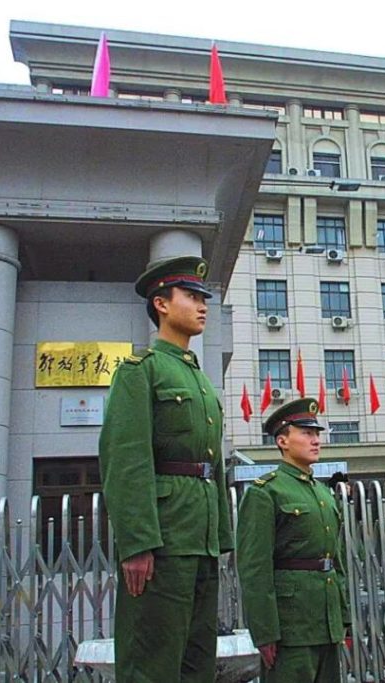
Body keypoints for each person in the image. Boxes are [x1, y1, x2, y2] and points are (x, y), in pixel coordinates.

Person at [98, 255, 233, 683]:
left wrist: (221, 536)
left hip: (201, 539)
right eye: (191, 296)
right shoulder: (142, 371)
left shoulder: (199, 379)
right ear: (161, 304)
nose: (202, 305)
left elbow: (213, 465)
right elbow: (126, 460)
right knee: (153, 660)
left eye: (203, 298)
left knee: (198, 659)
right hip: (165, 538)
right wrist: (137, 544)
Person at [236, 398, 350, 682]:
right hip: (291, 626)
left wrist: (343, 617)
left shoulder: (323, 493)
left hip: (326, 622)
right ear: (282, 441)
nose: (316, 441)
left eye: (317, 434)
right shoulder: (266, 492)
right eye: (307, 433)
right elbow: (254, 568)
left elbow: (335, 561)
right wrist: (265, 632)